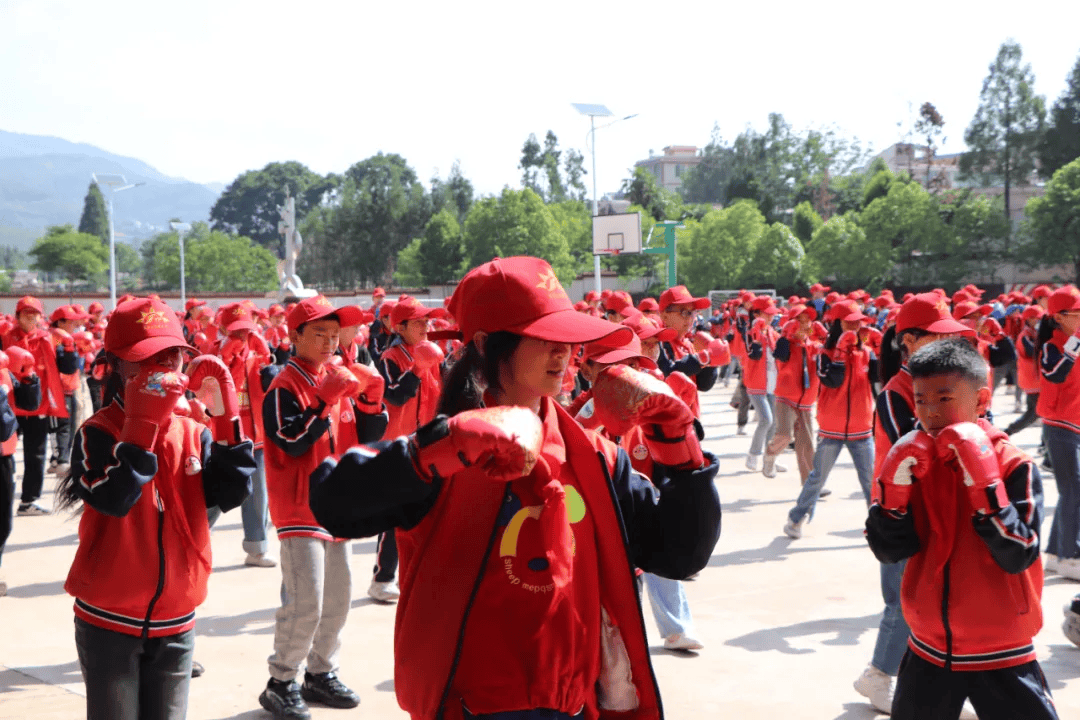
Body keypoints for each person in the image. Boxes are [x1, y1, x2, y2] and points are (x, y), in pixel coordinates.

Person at [307, 256, 721, 720]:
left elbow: (681, 554)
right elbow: (331, 503)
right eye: (543, 338)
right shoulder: (447, 452)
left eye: (565, 338)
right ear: (485, 344)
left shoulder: (595, 457)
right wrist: (437, 449)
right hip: (471, 709)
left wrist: (678, 445)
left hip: (574, 706)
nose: (563, 353)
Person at [55, 296, 255, 720]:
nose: (165, 367)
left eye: (174, 356)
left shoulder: (192, 431)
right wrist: (141, 426)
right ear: (119, 366)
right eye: (149, 358)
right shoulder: (97, 432)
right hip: (108, 618)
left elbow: (231, 493)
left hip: (178, 616)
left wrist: (227, 424)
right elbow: (114, 498)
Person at [866, 338, 1057, 720]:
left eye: (944, 399)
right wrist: (890, 501)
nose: (931, 413)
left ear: (981, 401)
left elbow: (1020, 554)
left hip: (1001, 645)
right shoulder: (915, 462)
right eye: (921, 401)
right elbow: (889, 552)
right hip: (928, 645)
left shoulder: (1013, 465)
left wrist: (987, 491)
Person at [259, 295, 385, 720]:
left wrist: (372, 400)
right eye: (319, 333)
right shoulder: (283, 384)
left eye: (335, 334)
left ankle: (320, 672)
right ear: (295, 336)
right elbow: (290, 442)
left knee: (339, 598)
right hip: (299, 507)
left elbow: (365, 437)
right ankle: (281, 680)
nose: (331, 341)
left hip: (337, 503)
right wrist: (321, 403)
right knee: (305, 601)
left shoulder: (338, 376)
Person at [369, 297, 447, 603]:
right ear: (399, 327)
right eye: (418, 323)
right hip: (396, 445)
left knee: (428, 511)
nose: (426, 327)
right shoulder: (391, 357)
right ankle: (382, 579)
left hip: (426, 443)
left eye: (427, 322)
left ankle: (418, 574)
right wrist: (416, 368)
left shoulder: (431, 353)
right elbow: (396, 396)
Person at [782, 299, 876, 539]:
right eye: (849, 323)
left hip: (862, 427)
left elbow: (879, 381)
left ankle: (879, 524)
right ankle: (795, 519)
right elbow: (830, 380)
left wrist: (881, 346)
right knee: (817, 478)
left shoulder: (867, 353)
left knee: (870, 481)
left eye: (857, 323)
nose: (854, 328)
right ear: (838, 324)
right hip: (832, 427)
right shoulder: (824, 353)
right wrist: (841, 354)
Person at [2, 295, 78, 515]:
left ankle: (29, 501)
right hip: (8, 405)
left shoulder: (49, 339)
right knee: (4, 455)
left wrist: (70, 345)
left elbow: (67, 368)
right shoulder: (4, 336)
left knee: (36, 454)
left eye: (34, 313)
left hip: (38, 405)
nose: (31, 317)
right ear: (17, 315)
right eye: (26, 312)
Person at [1036, 285, 1080, 581]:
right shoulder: (1051, 346)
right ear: (1059, 317)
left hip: (1075, 425)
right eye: (1077, 313)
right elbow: (1055, 374)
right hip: (1059, 427)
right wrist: (1075, 344)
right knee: (1073, 491)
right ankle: (1070, 556)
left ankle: (1054, 554)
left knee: (1071, 491)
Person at [765, 305, 819, 483]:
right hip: (786, 398)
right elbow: (779, 357)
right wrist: (788, 336)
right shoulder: (785, 344)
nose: (805, 323)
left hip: (805, 402)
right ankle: (770, 454)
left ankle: (809, 484)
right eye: (800, 319)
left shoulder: (814, 346)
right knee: (784, 435)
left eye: (807, 320)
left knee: (807, 444)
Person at [742, 296, 782, 472]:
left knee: (774, 423)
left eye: (773, 314)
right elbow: (754, 354)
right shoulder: (750, 331)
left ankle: (770, 459)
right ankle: (753, 454)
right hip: (756, 384)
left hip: (773, 384)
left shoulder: (773, 332)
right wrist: (757, 333)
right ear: (757, 313)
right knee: (766, 420)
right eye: (767, 314)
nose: (771, 317)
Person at [1005, 304, 1044, 436]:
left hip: (1035, 379)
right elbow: (1034, 351)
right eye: (1036, 318)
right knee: (1035, 413)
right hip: (1032, 380)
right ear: (1029, 319)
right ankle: (1008, 431)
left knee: (1039, 412)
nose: (1038, 321)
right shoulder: (1025, 335)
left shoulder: (1033, 333)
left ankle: (1045, 446)